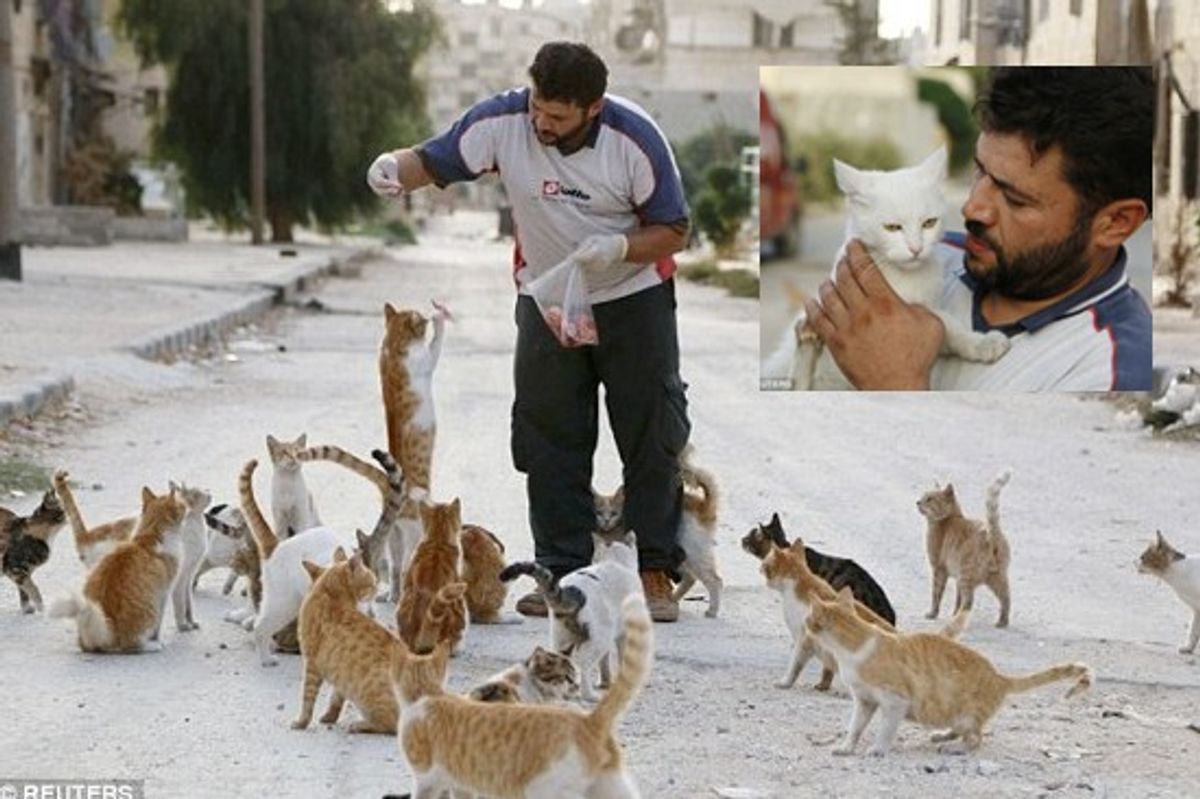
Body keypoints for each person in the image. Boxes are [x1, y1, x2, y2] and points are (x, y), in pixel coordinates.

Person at [366, 42, 691, 622]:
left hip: (632, 298)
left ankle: (655, 570)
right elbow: (432, 160)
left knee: (650, 433)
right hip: (547, 298)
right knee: (548, 435)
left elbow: (673, 228)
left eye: (558, 116)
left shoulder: (635, 139)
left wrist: (618, 246)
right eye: (539, 107)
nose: (542, 122)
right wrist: (392, 169)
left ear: (592, 108)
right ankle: (560, 572)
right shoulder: (503, 121)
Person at [806, 66, 1153, 391]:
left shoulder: (1111, 373)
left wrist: (898, 384)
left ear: (1115, 223)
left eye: (1015, 199)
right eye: (979, 171)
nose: (971, 208)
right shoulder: (928, 255)